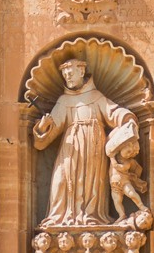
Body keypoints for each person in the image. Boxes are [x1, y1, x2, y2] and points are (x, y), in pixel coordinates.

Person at [33, 57, 135, 226]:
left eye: (71, 73)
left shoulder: (96, 96)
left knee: (90, 183)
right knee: (61, 180)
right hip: (70, 148)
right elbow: (51, 131)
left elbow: (113, 112)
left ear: (81, 72)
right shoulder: (64, 101)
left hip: (92, 148)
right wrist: (43, 128)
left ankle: (91, 216)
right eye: (65, 75)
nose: (69, 78)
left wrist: (127, 119)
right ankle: (61, 217)